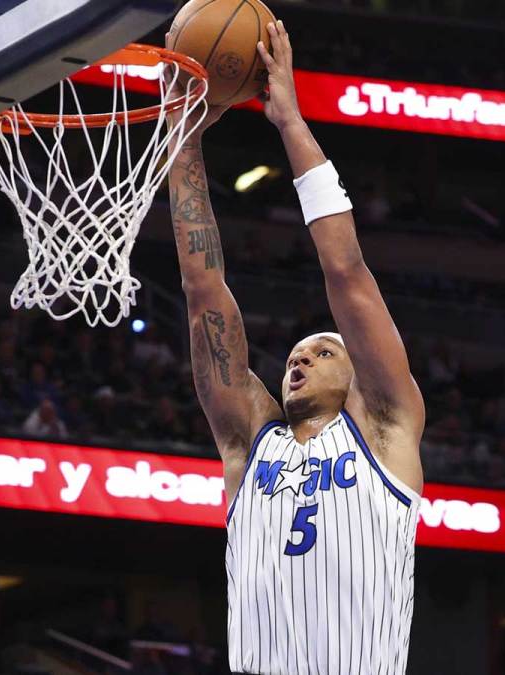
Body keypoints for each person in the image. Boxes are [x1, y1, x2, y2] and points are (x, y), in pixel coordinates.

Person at [166, 21, 424, 675]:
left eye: (321, 352)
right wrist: (183, 138)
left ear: (360, 375)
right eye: (295, 356)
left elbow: (346, 272)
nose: (299, 359)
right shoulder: (251, 443)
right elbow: (205, 290)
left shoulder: (386, 427)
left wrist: (289, 122)